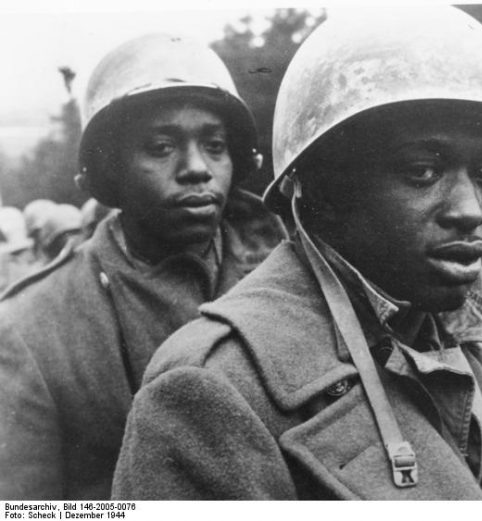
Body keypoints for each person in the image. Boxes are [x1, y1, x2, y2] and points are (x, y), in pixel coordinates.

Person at [112, 6, 482, 500]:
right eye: (422, 171)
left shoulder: (450, 338)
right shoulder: (212, 388)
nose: (470, 209)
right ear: (324, 190)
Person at [0, 33, 284, 500]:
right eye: (160, 146)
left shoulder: (293, 275)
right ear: (110, 170)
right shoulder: (33, 329)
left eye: (214, 145)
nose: (197, 168)